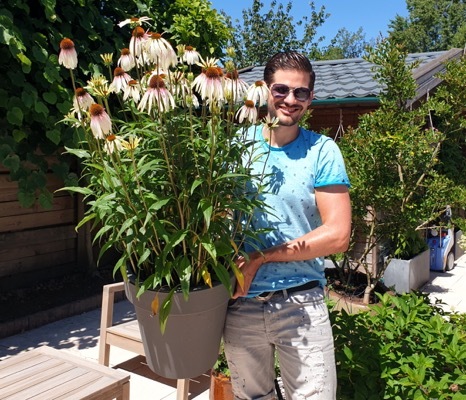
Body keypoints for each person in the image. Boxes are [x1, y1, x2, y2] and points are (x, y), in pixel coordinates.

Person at [223, 51, 352, 400]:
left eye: (302, 93)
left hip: (302, 302)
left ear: (311, 98)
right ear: (264, 89)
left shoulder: (322, 151)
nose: (290, 100)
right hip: (241, 303)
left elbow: (338, 235)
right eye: (281, 89)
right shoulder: (235, 148)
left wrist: (261, 257)